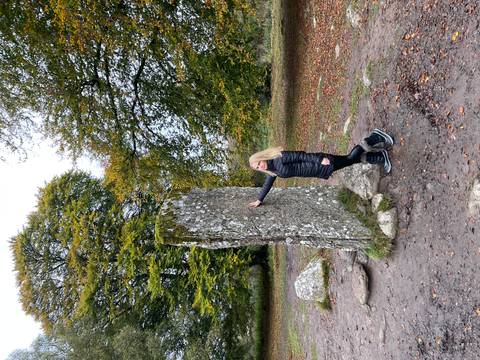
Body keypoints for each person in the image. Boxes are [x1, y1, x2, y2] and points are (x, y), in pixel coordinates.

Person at [248, 129, 394, 207]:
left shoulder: (278, 157)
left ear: (262, 158)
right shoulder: (273, 170)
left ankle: (374, 137)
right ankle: (378, 157)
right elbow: (267, 184)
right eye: (257, 168)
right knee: (349, 161)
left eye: (258, 163)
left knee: (349, 158)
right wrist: (259, 200)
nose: (260, 166)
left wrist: (320, 159)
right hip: (318, 170)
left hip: (320, 163)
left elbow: (301, 156)